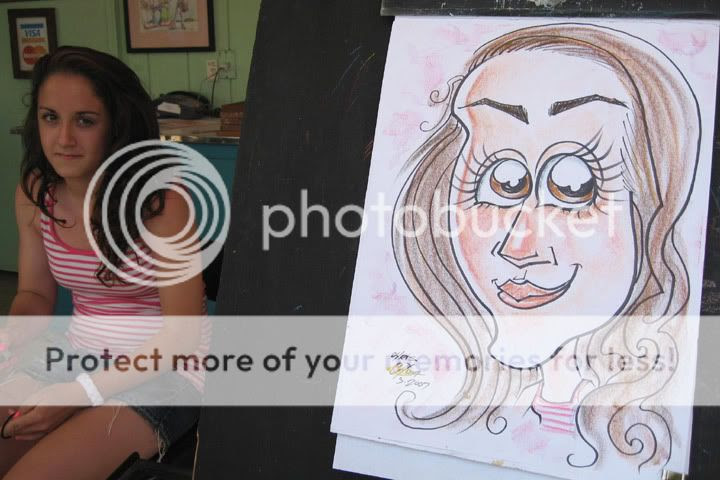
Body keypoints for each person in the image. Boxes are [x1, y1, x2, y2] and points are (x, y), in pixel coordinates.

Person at [392, 23, 700, 469]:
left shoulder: (654, 432)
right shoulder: (450, 407)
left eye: (574, 186)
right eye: (504, 181)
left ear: (654, 204)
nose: (520, 247)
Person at [0, 46, 207, 479]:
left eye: (85, 121)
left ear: (117, 125)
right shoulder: (36, 193)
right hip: (75, 353)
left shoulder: (161, 201)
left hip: (165, 370)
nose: (63, 139)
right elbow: (34, 294)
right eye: (50, 117)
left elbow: (181, 335)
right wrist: (9, 337)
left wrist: (82, 393)